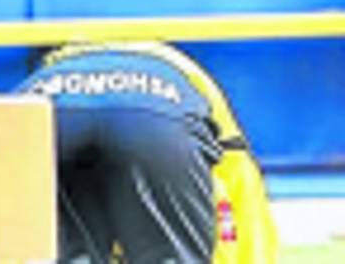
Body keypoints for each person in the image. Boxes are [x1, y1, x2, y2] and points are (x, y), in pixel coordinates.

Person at [19, 40, 278, 264]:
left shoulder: (49, 71)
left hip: (47, 115)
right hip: (157, 122)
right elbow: (242, 187)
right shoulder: (188, 75)